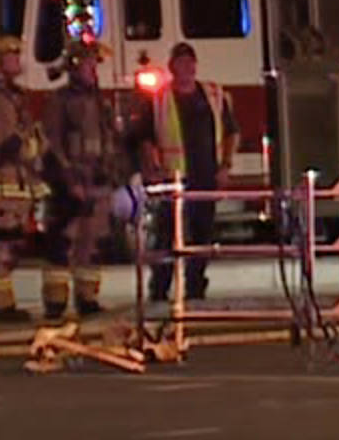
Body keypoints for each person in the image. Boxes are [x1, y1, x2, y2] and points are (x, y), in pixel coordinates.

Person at [132, 42, 238, 305]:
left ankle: (196, 287)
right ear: (172, 67)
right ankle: (159, 289)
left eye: (190, 62)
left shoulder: (213, 95)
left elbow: (231, 132)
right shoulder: (159, 100)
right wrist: (153, 169)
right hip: (173, 179)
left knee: (202, 235)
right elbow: (145, 138)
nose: (187, 68)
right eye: (181, 63)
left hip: (206, 177)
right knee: (166, 236)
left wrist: (225, 166)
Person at [0, 34, 51, 322]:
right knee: (2, 244)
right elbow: (10, 144)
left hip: (12, 183)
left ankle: (0, 302)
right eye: (11, 55)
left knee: (9, 244)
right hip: (0, 184)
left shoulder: (10, 97)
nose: (18, 60)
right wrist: (34, 145)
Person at [43, 39, 124, 318]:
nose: (93, 70)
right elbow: (53, 142)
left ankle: (87, 298)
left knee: (92, 242)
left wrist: (114, 173)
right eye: (89, 64)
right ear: (75, 68)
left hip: (98, 181)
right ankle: (55, 301)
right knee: (64, 242)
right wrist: (69, 180)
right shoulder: (60, 101)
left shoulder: (100, 101)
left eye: (94, 65)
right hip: (72, 183)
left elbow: (110, 139)